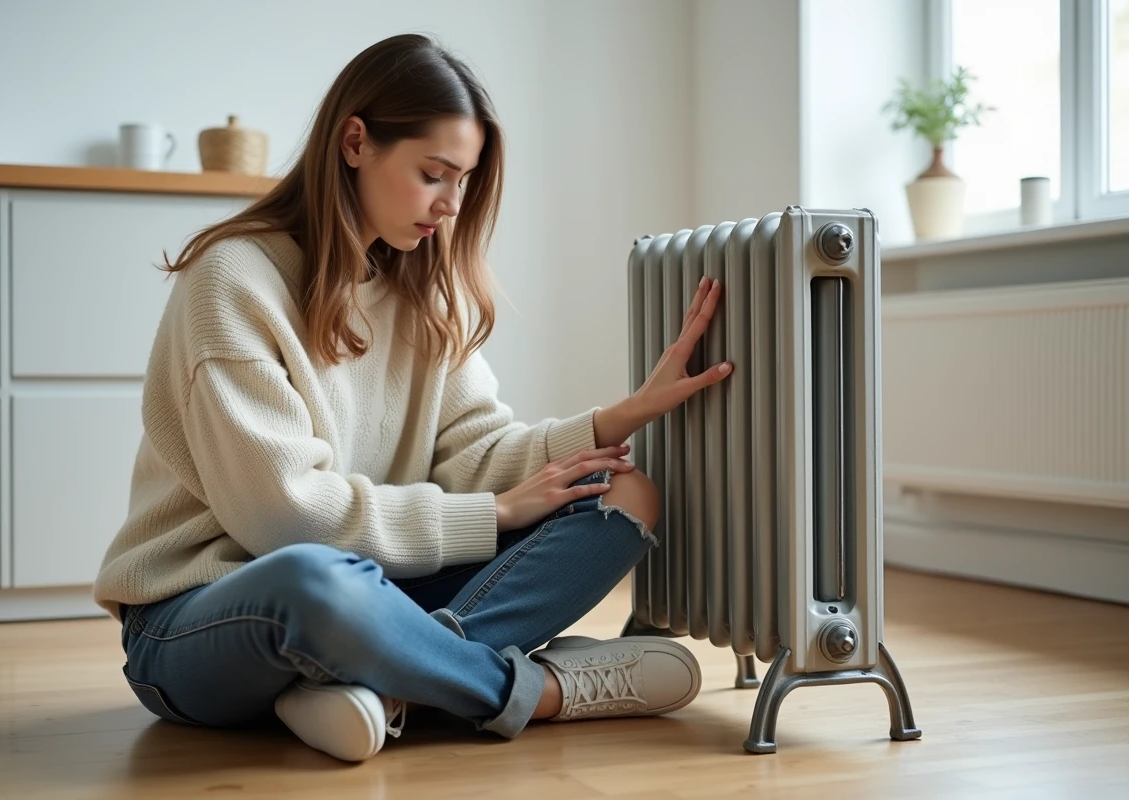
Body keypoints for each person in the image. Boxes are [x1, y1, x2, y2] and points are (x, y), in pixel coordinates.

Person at [93, 32, 732, 763]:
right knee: (315, 578)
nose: (451, 205)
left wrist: (624, 415)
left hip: (377, 589)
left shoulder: (423, 290)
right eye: (435, 174)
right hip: (196, 620)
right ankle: (535, 692)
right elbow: (284, 517)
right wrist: (493, 515)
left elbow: (476, 453)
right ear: (356, 142)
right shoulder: (231, 281)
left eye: (463, 181)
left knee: (623, 495)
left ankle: (378, 687)